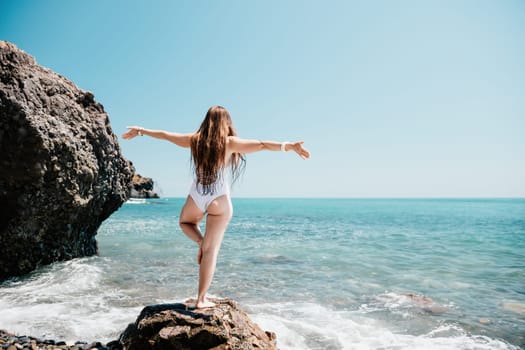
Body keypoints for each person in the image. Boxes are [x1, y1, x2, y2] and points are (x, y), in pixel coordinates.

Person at [122, 105, 310, 308]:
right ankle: (201, 298)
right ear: (226, 123)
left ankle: (201, 245)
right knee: (211, 251)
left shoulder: (194, 140)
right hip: (219, 198)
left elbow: (166, 135)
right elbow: (262, 144)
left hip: (197, 196)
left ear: (206, 121)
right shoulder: (229, 143)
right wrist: (289, 146)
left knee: (185, 222)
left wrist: (141, 131)